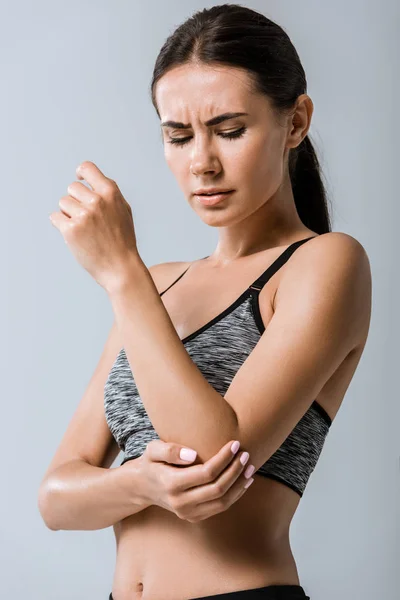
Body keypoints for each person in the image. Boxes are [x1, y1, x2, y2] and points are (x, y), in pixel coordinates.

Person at [38, 4, 372, 599]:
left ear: (295, 123)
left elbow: (216, 458)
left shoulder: (325, 264)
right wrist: (142, 483)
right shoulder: (158, 284)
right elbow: (57, 498)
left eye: (230, 129)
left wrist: (120, 272)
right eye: (178, 136)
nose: (202, 163)